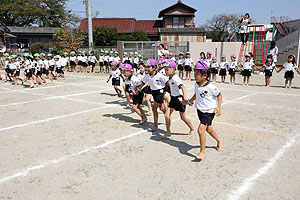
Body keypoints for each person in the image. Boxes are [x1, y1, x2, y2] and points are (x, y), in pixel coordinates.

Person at [184, 61, 222, 160]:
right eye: (194, 73)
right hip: (200, 110)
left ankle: (202, 152)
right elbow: (196, 94)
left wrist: (218, 107)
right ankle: (219, 140)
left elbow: (219, 95)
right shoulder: (196, 84)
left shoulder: (211, 87)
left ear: (204, 75)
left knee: (201, 130)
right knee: (209, 129)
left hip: (209, 111)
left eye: (197, 74)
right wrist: (188, 101)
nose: (195, 76)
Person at [161, 59, 195, 139]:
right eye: (165, 69)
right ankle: (168, 132)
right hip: (173, 99)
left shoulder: (176, 78)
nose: (165, 71)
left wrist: (185, 99)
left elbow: (183, 88)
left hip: (179, 99)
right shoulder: (170, 78)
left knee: (183, 117)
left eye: (167, 69)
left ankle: (192, 129)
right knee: (167, 115)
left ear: (173, 70)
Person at [139, 58, 169, 132]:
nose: (147, 69)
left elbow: (167, 82)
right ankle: (168, 116)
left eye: (149, 67)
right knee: (162, 108)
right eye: (146, 67)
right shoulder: (147, 76)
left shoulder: (159, 75)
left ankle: (155, 125)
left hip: (160, 92)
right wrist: (137, 88)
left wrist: (170, 91)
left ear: (154, 67)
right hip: (154, 92)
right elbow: (142, 83)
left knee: (154, 108)